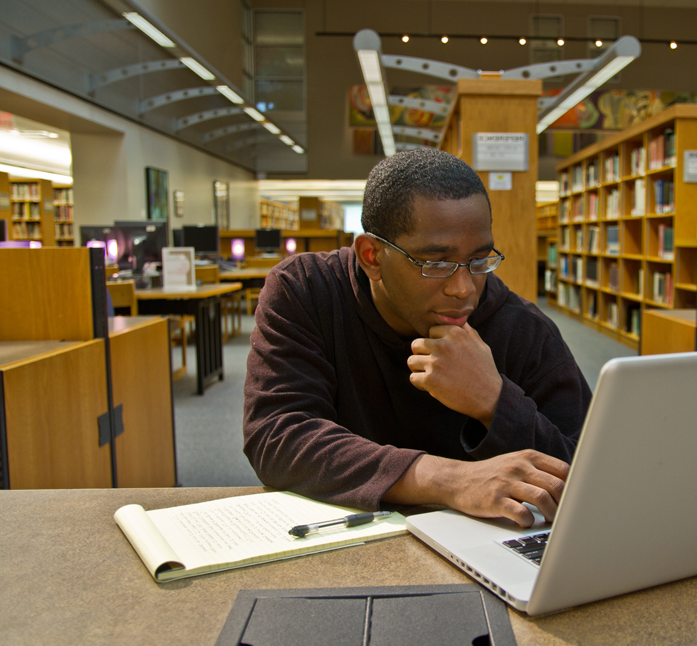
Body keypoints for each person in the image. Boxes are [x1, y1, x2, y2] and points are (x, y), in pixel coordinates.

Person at [243, 149, 592, 527]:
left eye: (479, 260)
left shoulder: (522, 326)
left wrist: (493, 399)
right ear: (372, 256)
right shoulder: (305, 290)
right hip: (346, 540)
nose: (463, 289)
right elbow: (277, 436)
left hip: (487, 548)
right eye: (436, 264)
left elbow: (586, 472)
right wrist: (448, 480)